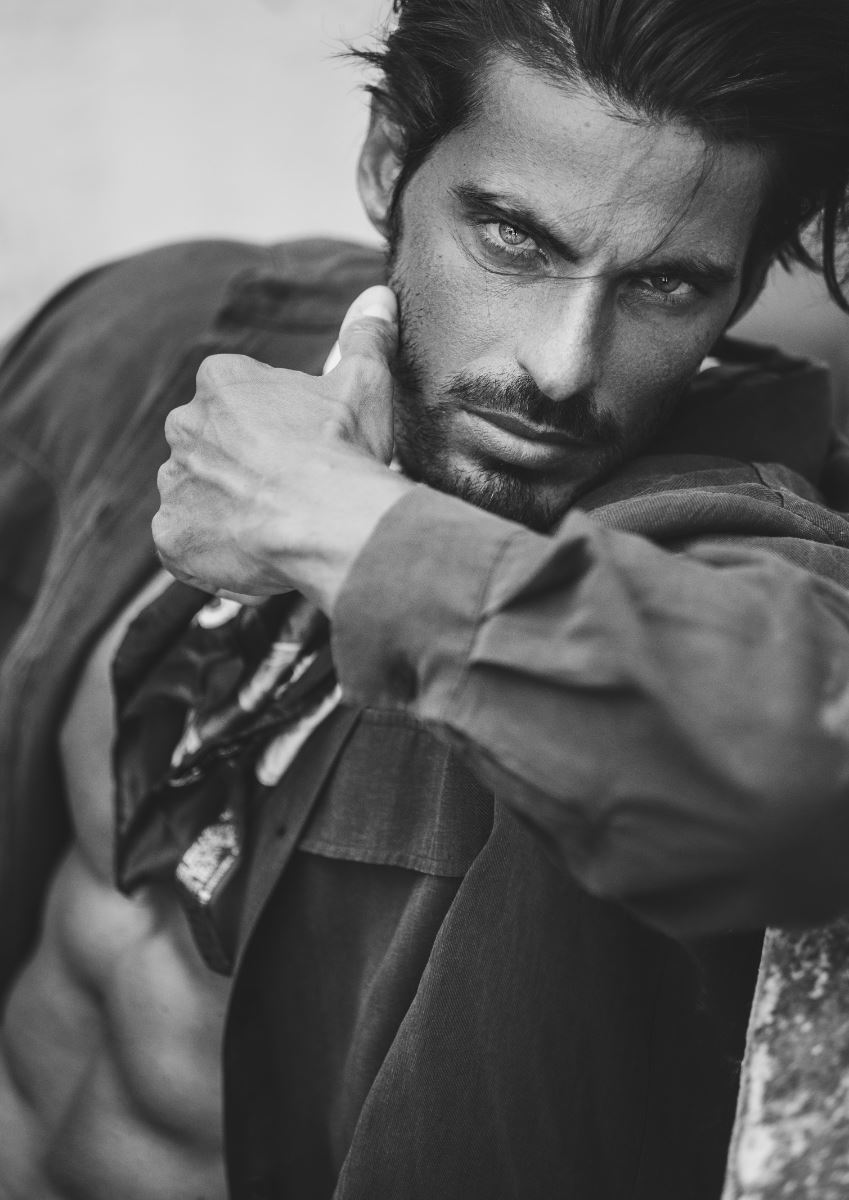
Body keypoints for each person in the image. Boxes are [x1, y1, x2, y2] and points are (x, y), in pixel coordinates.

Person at [3, 0, 849, 1196]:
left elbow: (795, 781)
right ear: (388, 161)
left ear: (741, 289)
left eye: (666, 285)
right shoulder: (155, 337)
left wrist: (328, 520)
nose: (562, 365)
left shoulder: (710, 541)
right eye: (513, 238)